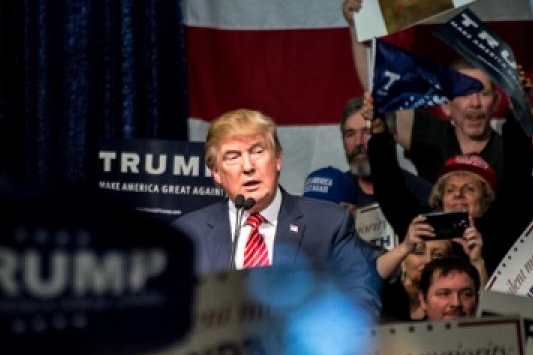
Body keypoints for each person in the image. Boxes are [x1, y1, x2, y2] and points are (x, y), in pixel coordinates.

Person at [172, 109, 381, 318]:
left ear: (278, 159)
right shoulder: (188, 234)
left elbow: (361, 304)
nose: (248, 167)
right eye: (233, 157)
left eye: (257, 151)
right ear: (216, 172)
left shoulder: (329, 225)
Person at [341, 0, 504, 184]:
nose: (475, 102)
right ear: (446, 105)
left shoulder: (511, 155)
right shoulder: (430, 137)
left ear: (496, 102)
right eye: (464, 92)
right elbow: (378, 88)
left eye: (483, 93)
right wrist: (356, 26)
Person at [304, 96, 431, 209]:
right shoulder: (333, 191)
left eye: (367, 132)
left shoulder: (420, 193)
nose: (358, 142)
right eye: (350, 134)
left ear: (391, 137)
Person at [377, 215, 454, 322]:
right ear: (403, 260)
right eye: (419, 252)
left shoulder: (454, 301)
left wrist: (477, 261)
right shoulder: (387, 297)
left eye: (438, 256)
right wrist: (404, 247)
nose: (428, 260)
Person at [417, 256, 480, 321]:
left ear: (477, 301)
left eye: (466, 294)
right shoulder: (406, 331)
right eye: (445, 294)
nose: (456, 303)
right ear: (423, 300)